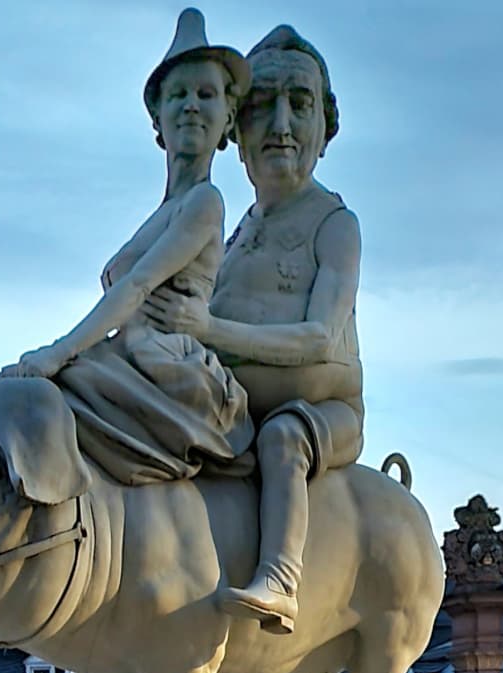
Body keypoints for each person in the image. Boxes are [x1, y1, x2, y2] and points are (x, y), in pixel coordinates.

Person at [144, 25, 362, 633]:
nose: (282, 124)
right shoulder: (233, 230)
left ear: (326, 125)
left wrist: (206, 328)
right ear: (236, 132)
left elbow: (320, 337)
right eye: (263, 105)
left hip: (322, 413)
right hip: (235, 409)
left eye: (300, 103)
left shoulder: (335, 223)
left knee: (283, 440)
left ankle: (281, 582)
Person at [0, 8, 254, 484]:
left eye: (206, 94)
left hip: (166, 371)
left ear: (228, 117)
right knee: (11, 393)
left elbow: (136, 286)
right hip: (129, 358)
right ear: (158, 120)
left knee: (24, 395)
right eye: (178, 95)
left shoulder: (204, 203)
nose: (191, 105)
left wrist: (59, 351)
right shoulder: (164, 211)